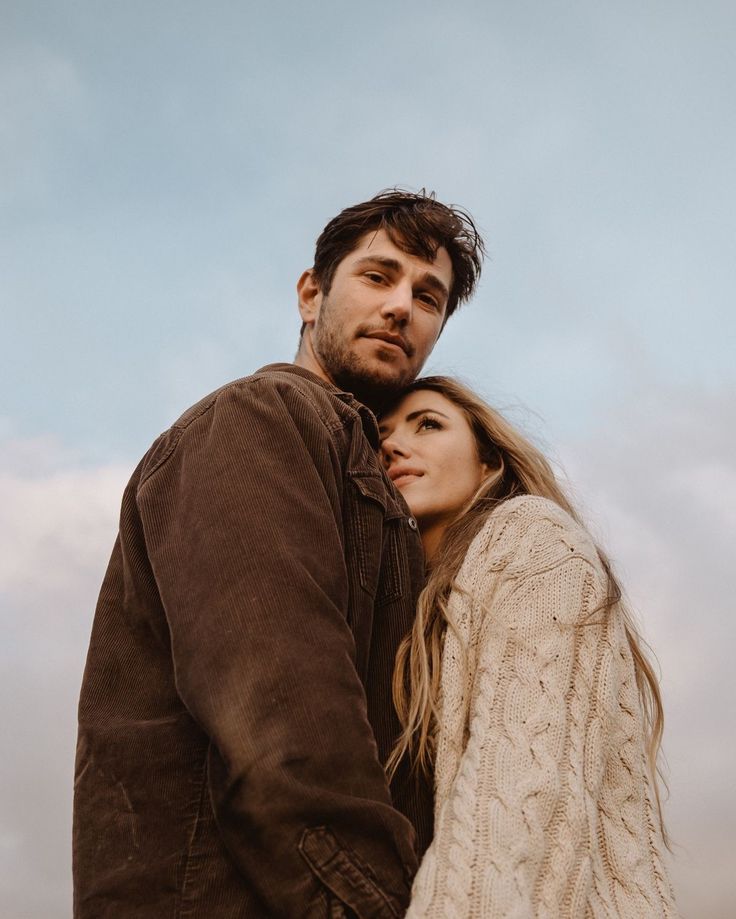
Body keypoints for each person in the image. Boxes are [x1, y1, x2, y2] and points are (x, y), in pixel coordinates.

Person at [73, 192, 485, 918]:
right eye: (378, 276)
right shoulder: (260, 418)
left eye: (428, 296)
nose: (401, 307)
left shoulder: (375, 484)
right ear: (311, 292)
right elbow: (282, 719)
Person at [378, 377, 678, 917]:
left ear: (489, 463)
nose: (394, 445)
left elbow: (518, 800)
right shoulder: (424, 611)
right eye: (382, 435)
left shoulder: (533, 541)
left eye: (427, 424)